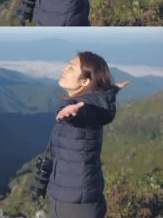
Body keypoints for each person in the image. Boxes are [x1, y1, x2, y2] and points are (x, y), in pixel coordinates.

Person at [47, 52, 128, 218]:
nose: (65, 69)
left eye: (71, 68)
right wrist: (112, 90)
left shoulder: (83, 107)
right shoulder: (94, 100)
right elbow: (100, 99)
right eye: (67, 64)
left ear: (84, 81)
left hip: (75, 206)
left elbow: (86, 111)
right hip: (71, 198)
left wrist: (70, 113)